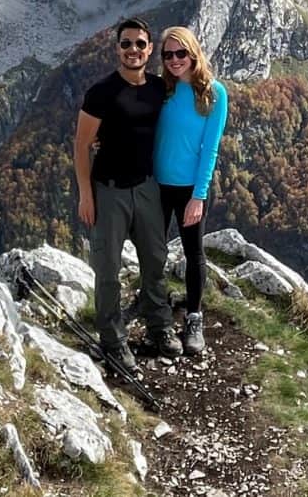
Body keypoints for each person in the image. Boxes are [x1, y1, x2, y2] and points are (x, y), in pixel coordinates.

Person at [74, 18, 182, 372]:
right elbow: (81, 146)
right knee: (107, 269)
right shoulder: (101, 92)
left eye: (140, 44)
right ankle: (113, 339)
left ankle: (160, 327)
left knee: (155, 260)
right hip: (109, 192)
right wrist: (86, 196)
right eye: (126, 44)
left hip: (147, 187)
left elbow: (190, 95)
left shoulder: (157, 88)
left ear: (150, 50)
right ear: (117, 49)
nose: (133, 50)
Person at [154, 26, 228, 355]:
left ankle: (194, 317)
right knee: (152, 249)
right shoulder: (161, 90)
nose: (174, 60)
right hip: (156, 184)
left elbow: (209, 149)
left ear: (193, 53)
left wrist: (199, 195)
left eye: (180, 53)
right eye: (167, 55)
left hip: (189, 189)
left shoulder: (214, 94)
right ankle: (154, 307)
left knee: (193, 252)